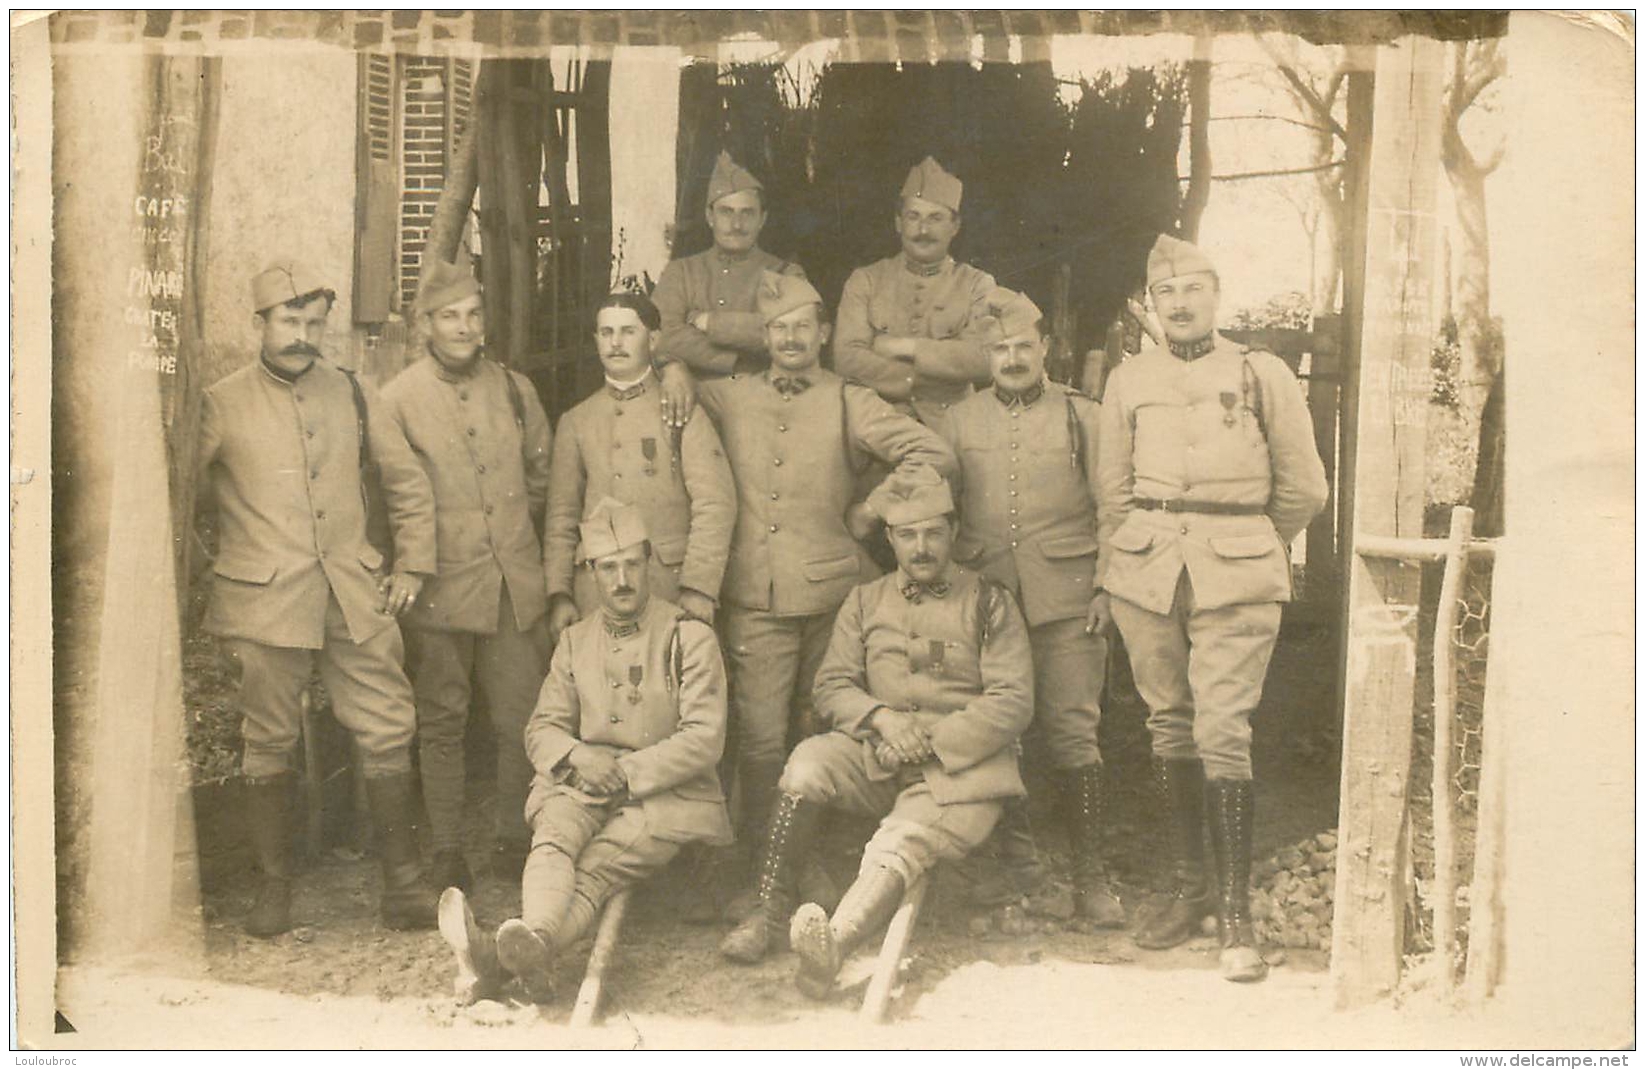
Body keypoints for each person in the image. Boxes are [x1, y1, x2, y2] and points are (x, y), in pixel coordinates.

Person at [1096, 234, 1329, 982]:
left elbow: (1304, 489)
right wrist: (1117, 567)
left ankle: (1232, 914)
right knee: (1168, 724)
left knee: (1222, 728)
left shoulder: (1259, 373)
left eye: (1194, 288)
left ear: (1216, 294)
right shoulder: (1128, 379)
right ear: (1151, 303)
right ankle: (1186, 889)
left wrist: (1250, 540)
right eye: (1166, 293)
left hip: (1235, 569)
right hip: (1148, 568)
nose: (1181, 303)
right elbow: (1112, 491)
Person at [695, 272, 957, 924]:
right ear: (764, 336)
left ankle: (814, 864)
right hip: (755, 596)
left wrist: (871, 509)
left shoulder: (848, 399)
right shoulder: (727, 396)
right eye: (777, 328)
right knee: (757, 742)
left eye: (801, 328)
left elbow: (931, 450)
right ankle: (765, 875)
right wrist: (675, 371)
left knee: (824, 732)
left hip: (832, 596)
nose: (789, 339)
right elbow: (670, 376)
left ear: (821, 334)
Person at [720, 465, 1034, 998]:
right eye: (908, 535)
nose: (922, 547)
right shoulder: (866, 600)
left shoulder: (989, 602)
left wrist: (930, 742)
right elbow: (833, 685)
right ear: (889, 538)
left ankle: (834, 943)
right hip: (877, 754)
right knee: (807, 765)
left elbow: (1012, 701)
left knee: (902, 841)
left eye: (934, 532)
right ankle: (768, 913)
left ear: (954, 532)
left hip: (963, 773)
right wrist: (881, 719)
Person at [197, 259, 439, 935]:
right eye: (289, 321)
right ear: (261, 323)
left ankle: (403, 885)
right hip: (265, 601)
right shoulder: (220, 401)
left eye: (314, 322)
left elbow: (405, 482)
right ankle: (273, 890)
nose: (303, 335)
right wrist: (213, 565)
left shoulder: (354, 392)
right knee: (267, 737)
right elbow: (177, 495)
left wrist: (413, 565)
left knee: (389, 722)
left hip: (353, 593)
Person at [435, 499, 732, 1004]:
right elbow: (542, 728)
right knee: (553, 839)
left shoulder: (689, 636)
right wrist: (575, 756)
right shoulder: (574, 641)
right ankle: (530, 949)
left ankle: (509, 953)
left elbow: (704, 737)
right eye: (608, 568)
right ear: (591, 573)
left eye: (632, 565)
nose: (622, 581)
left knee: (595, 866)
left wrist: (624, 771)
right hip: (583, 781)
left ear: (650, 563)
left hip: (667, 793)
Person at [937, 287, 1124, 927]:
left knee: (1074, 733)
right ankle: (1012, 871)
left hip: (1069, 601)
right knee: (994, 734)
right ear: (984, 356)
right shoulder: (958, 423)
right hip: (987, 602)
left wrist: (1107, 588)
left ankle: (1091, 880)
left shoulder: (1085, 417)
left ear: (1047, 348)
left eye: (1023, 346)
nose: (1012, 358)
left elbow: (1115, 511)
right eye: (999, 349)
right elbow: (938, 506)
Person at [379, 252, 553, 891]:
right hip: (441, 585)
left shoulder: (514, 388)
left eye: (473, 314)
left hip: (511, 583)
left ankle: (515, 835)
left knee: (521, 718)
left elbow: (540, 477)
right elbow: (397, 493)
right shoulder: (396, 400)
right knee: (443, 716)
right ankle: (447, 847)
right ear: (425, 325)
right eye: (448, 316)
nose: (463, 327)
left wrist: (506, 536)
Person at [542, 291, 735, 642]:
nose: (616, 343)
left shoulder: (680, 408)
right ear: (596, 340)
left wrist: (699, 587)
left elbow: (715, 503)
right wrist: (560, 594)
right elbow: (561, 516)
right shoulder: (576, 421)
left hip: (668, 588)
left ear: (654, 339)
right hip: (595, 596)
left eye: (629, 331)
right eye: (606, 332)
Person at [834, 156, 997, 425]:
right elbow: (846, 359)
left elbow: (984, 360)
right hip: (875, 421)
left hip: (953, 425)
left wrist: (904, 346)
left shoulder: (977, 284)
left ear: (954, 226)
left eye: (935, 218)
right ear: (898, 223)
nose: (923, 230)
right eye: (913, 216)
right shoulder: (865, 280)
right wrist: (926, 377)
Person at [652, 150, 806, 383]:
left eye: (747, 213)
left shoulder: (785, 273)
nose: (736, 224)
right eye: (726, 212)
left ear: (762, 219)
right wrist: (738, 360)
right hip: (689, 393)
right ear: (709, 216)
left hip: (761, 396)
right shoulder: (681, 272)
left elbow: (793, 335)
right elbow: (660, 336)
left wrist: (709, 322)